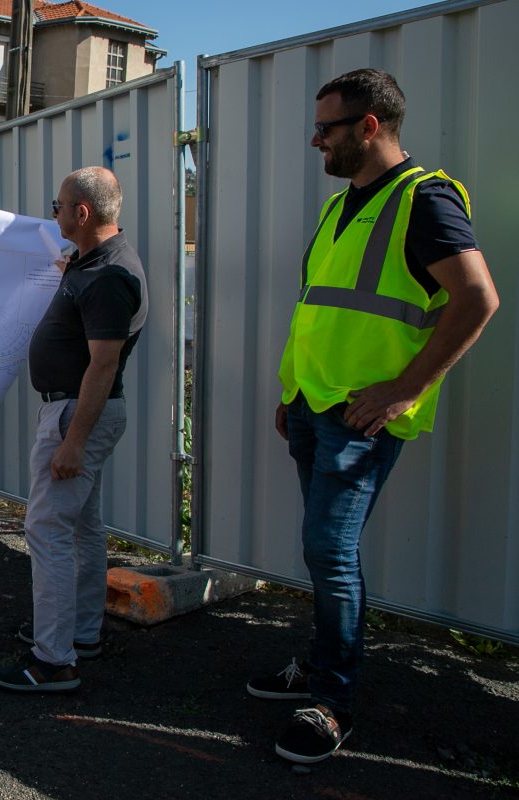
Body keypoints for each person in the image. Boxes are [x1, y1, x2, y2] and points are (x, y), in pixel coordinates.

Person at [249, 68, 498, 764]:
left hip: (361, 418)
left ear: (368, 127)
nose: (313, 140)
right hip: (312, 404)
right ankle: (320, 665)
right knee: (323, 551)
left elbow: (477, 299)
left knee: (330, 553)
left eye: (325, 128)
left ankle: (332, 702)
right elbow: (326, 310)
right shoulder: (341, 206)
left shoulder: (426, 199)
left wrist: (407, 389)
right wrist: (292, 391)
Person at [0, 166, 147, 692]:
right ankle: (80, 634)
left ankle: (53, 660)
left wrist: (73, 440)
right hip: (74, 412)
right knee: (81, 527)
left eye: (57, 206)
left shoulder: (110, 277)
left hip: (76, 414)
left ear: (81, 212)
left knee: (47, 528)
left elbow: (102, 366)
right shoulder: (93, 262)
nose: (52, 213)